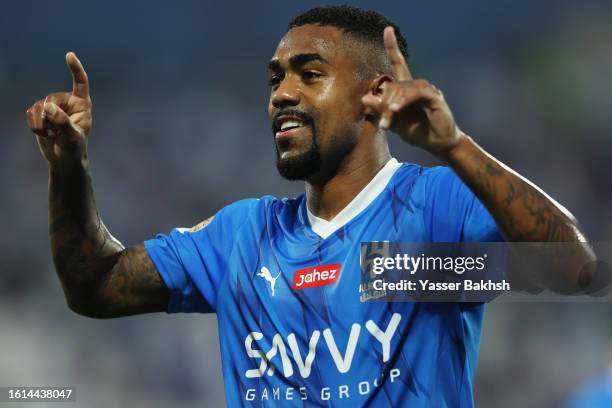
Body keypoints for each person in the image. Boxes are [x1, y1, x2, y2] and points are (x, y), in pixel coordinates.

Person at [25, 5, 594, 407]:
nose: (282, 94)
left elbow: (578, 272)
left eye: (310, 74)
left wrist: (455, 147)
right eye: (276, 78)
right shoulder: (239, 238)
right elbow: (94, 288)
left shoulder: (437, 208)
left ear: (375, 94)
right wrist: (68, 169)